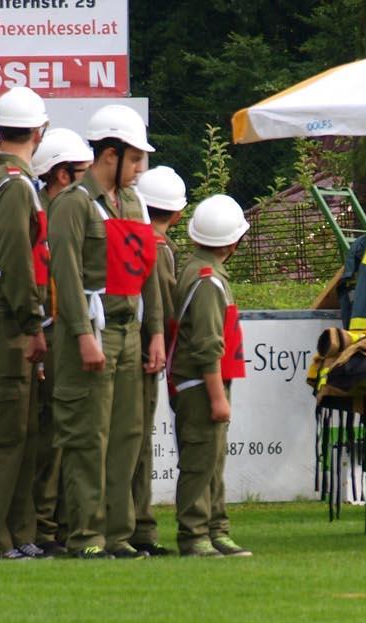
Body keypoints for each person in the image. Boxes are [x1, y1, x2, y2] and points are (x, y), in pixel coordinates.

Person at [49, 105, 163, 559]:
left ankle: (118, 533)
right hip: (92, 332)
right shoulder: (72, 204)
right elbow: (66, 274)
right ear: (109, 155)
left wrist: (154, 331)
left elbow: (147, 271)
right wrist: (81, 335)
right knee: (87, 437)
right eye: (135, 160)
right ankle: (87, 536)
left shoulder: (133, 204)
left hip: (129, 332)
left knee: (127, 437)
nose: (140, 169)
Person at [0, 87, 51, 559]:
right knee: (3, 434)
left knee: (17, 431)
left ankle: (18, 535)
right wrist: (33, 323)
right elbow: (20, 260)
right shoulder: (17, 185)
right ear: (38, 132)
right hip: (7, 321)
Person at [168, 194, 251, 557]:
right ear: (232, 243)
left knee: (212, 461)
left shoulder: (201, 271)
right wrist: (217, 397)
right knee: (201, 462)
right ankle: (195, 534)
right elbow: (207, 345)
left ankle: (216, 529)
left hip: (200, 381)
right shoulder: (207, 280)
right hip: (201, 383)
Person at [27, 127, 94, 556]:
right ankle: (48, 527)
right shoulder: (46, 222)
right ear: (62, 175)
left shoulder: (63, 216)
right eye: (83, 172)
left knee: (67, 436)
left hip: (62, 333)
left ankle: (63, 525)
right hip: (52, 335)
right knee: (53, 438)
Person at [129, 165, 189, 557]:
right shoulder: (161, 248)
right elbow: (166, 304)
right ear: (179, 214)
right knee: (139, 445)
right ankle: (140, 528)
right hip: (146, 352)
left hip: (123, 344)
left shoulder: (133, 237)